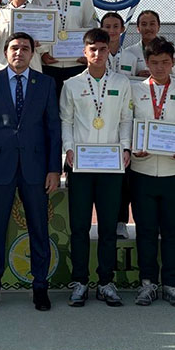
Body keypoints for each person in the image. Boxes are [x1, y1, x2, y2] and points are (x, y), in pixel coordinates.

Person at [0, 32, 62, 313]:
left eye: (25, 48)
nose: (19, 52)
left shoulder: (46, 83)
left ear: (33, 53)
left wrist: (54, 169)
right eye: (14, 48)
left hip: (36, 168)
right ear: (5, 52)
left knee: (39, 228)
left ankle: (40, 287)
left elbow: (53, 128)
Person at [61, 27, 134, 307]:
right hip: (80, 165)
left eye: (103, 49)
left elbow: (126, 118)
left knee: (107, 227)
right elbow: (66, 120)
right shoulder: (71, 84)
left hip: (111, 166)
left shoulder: (121, 82)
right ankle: (80, 281)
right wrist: (68, 148)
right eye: (93, 49)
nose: (98, 53)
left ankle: (106, 282)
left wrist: (125, 147)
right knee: (79, 227)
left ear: (108, 51)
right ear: (85, 51)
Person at [129, 37, 175, 307]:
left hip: (174, 173)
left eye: (165, 62)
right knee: (145, 230)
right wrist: (133, 148)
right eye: (155, 62)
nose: (160, 67)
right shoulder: (134, 90)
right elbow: (127, 124)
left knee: (172, 231)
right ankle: (147, 283)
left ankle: (171, 284)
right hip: (142, 171)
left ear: (173, 63)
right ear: (147, 63)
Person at [34, 0, 96, 93]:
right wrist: (43, 54)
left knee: (76, 102)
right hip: (49, 64)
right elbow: (36, 30)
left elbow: (91, 27)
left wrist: (86, 53)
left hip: (77, 63)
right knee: (51, 103)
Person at [101, 11, 139, 238]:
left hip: (123, 119)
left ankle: (121, 220)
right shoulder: (96, 54)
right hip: (99, 121)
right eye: (107, 26)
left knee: (123, 174)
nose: (112, 30)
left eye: (116, 26)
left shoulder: (131, 57)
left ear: (123, 29)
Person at [130, 10, 163, 80]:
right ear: (138, 28)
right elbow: (125, 78)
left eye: (152, 24)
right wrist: (137, 76)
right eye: (144, 24)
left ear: (158, 27)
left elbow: (172, 76)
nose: (148, 28)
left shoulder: (166, 50)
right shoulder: (129, 52)